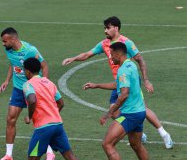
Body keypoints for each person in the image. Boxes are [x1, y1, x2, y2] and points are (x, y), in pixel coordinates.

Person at [62, 16, 173, 149]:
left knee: (141, 108)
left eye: (108, 28)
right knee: (114, 112)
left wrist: (146, 81)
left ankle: (164, 134)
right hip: (118, 83)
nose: (105, 31)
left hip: (130, 81)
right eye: (104, 28)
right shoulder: (104, 44)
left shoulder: (126, 43)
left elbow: (140, 60)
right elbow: (87, 54)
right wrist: (73, 58)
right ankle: (138, 134)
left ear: (116, 28)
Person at [83, 42, 157, 160]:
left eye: (111, 54)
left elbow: (123, 94)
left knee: (107, 143)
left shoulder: (123, 70)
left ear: (118, 54)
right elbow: (118, 85)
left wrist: (109, 113)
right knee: (136, 145)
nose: (110, 57)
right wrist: (97, 85)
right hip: (139, 112)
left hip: (129, 115)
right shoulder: (131, 65)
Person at [22, 58, 96, 160]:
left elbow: (31, 100)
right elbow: (61, 103)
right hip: (57, 125)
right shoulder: (49, 82)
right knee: (69, 156)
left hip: (43, 128)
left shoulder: (28, 84)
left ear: (28, 71)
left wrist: (30, 117)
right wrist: (53, 114)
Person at [0, 27, 56, 160]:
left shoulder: (30, 50)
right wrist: (7, 80)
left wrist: (44, 84)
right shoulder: (9, 50)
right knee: (10, 119)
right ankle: (8, 155)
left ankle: (50, 153)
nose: (3, 44)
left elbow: (44, 66)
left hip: (33, 89)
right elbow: (13, 64)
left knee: (41, 122)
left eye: (5, 41)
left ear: (13, 39)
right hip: (18, 89)